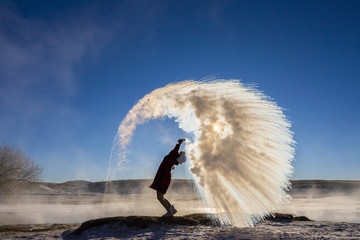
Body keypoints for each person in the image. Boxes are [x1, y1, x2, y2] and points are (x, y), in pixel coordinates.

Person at [149, 139, 186, 217]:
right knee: (161, 197)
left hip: (163, 176)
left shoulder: (172, 156)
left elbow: (175, 150)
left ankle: (169, 212)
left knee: (159, 197)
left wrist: (179, 143)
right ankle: (172, 210)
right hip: (165, 176)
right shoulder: (172, 159)